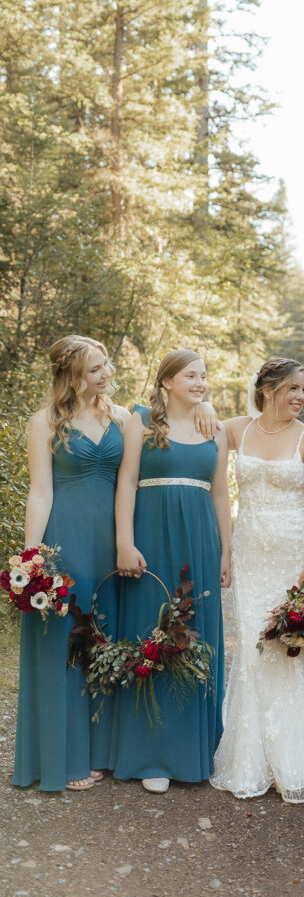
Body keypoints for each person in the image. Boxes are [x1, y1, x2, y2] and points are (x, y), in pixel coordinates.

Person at [210, 357, 304, 802]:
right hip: (248, 552)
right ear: (267, 390)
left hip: (291, 552)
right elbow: (197, 424)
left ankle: (295, 760)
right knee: (250, 646)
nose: (301, 397)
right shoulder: (238, 429)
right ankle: (250, 760)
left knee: (289, 646)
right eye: (293, 389)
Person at [13, 335, 129, 792]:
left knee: (104, 640)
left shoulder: (123, 417)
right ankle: (64, 758)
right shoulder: (43, 422)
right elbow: (41, 492)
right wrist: (32, 557)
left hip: (111, 543)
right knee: (62, 646)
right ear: (71, 375)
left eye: (107, 365)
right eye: (96, 368)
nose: (107, 374)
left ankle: (103, 751)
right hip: (65, 541)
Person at [112, 349, 230, 794]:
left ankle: (195, 751)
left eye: (203, 376)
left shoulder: (214, 430)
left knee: (196, 634)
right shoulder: (140, 421)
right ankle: (153, 755)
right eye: (190, 376)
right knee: (151, 631)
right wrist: (125, 541)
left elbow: (220, 494)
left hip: (199, 539)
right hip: (151, 535)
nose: (199, 383)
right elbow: (126, 481)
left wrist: (225, 549)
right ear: (166, 381)